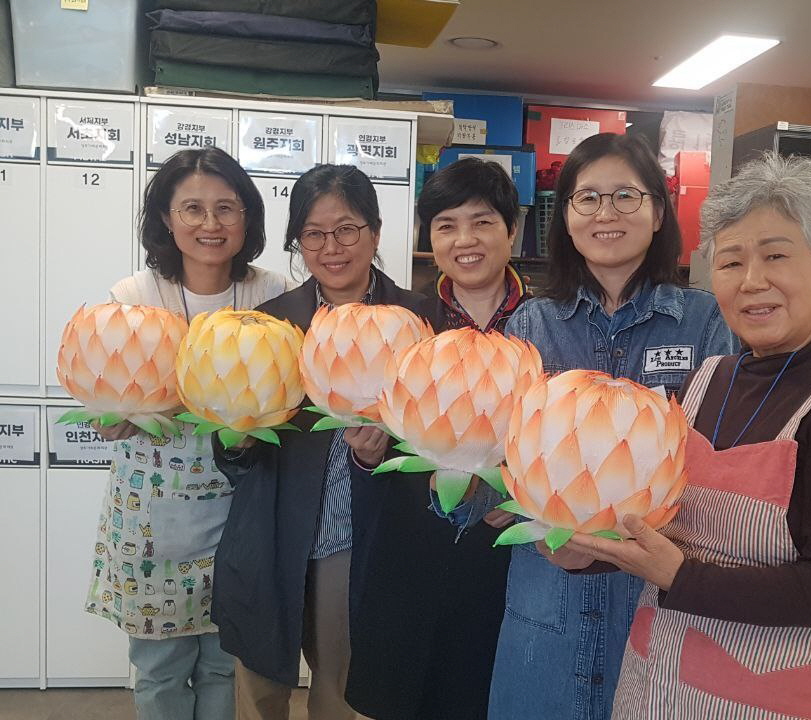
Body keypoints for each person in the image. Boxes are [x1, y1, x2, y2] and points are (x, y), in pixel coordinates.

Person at [561, 153, 811, 719]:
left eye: (776, 255)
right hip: (655, 690)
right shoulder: (709, 378)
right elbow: (663, 527)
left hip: (772, 702)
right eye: (731, 262)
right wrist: (584, 551)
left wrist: (679, 577)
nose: (753, 281)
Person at [487, 132, 736, 720]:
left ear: (657, 212)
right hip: (549, 603)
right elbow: (502, 461)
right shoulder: (532, 324)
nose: (606, 213)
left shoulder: (704, 322)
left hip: (655, 602)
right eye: (587, 198)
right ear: (565, 218)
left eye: (626, 196)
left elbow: (720, 464)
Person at [211, 164, 426, 720]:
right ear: (298, 243)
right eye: (313, 233)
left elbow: (440, 439)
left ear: (375, 233)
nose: (332, 247)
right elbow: (234, 446)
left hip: (358, 540)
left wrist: (386, 452)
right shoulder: (270, 324)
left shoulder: (419, 321)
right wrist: (235, 440)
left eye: (347, 228)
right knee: (258, 691)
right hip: (274, 531)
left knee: (343, 693)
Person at [86, 146, 290, 720]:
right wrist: (113, 416)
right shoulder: (132, 298)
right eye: (192, 208)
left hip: (244, 506)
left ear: (247, 217)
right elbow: (108, 413)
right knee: (159, 669)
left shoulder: (272, 295)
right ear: (166, 219)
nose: (210, 224)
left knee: (229, 661)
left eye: (227, 208)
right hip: (152, 515)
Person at [343, 157, 528, 720]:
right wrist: (365, 455)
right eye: (446, 225)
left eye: (482, 222)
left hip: (506, 562)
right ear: (428, 237)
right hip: (407, 553)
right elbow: (368, 444)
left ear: (512, 230)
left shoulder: (547, 327)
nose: (464, 240)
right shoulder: (401, 324)